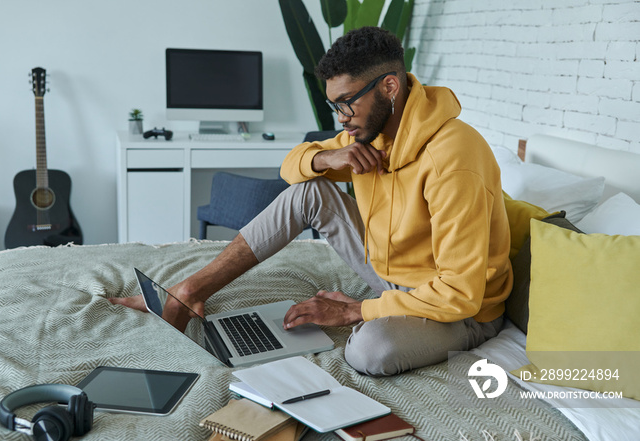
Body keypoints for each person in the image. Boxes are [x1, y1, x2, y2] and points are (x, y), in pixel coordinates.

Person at [110, 26, 513, 376]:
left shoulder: (453, 159)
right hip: (392, 274)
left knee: (368, 350)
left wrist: (357, 311)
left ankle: (380, 314)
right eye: (333, 105)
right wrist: (325, 156)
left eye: (346, 102)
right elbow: (291, 167)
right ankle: (191, 289)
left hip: (462, 310)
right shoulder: (371, 131)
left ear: (390, 86)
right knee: (310, 190)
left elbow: (460, 292)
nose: (341, 117)